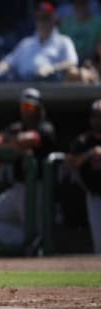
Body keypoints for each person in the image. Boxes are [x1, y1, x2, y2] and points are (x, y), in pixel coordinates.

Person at [0, 88, 55, 247]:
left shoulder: (46, 128)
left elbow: (27, 140)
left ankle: (35, 245)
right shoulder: (16, 127)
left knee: (39, 230)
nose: (26, 112)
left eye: (29, 107)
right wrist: (13, 145)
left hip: (37, 189)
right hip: (16, 188)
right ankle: (27, 242)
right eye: (23, 107)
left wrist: (10, 144)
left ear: (39, 109)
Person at [0, 1, 78, 81]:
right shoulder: (26, 43)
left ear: (53, 19)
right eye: (38, 18)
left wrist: (52, 68)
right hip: (21, 86)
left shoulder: (64, 41)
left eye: (45, 18)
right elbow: (8, 62)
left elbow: (72, 62)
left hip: (51, 90)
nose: (41, 22)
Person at [67, 100, 101, 253]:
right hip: (94, 196)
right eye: (95, 116)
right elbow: (70, 162)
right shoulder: (84, 141)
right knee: (99, 243)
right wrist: (89, 154)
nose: (98, 120)